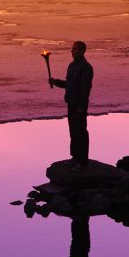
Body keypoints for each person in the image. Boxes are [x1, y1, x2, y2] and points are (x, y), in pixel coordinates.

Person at [49, 41, 93, 169]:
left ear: (82, 51)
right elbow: (69, 84)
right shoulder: (72, 66)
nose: (72, 51)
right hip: (71, 103)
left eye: (75, 49)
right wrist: (55, 82)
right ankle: (75, 157)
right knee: (73, 132)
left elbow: (85, 89)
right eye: (72, 49)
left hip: (79, 105)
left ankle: (82, 160)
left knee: (81, 132)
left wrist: (81, 106)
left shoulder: (86, 67)